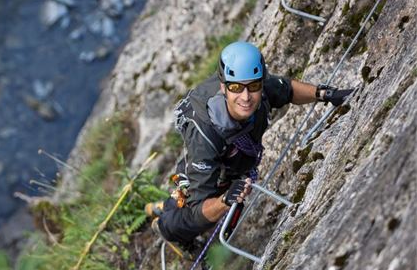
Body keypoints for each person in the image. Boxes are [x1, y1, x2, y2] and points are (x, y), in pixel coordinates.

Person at [146, 41, 353, 252]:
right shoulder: (206, 136)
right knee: (197, 213)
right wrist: (225, 200)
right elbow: (200, 207)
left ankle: (166, 206)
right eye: (236, 88)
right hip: (210, 161)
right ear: (223, 87)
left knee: (213, 190)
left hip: (232, 160)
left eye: (253, 86)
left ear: (260, 83)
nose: (246, 97)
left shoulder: (258, 88)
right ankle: (165, 227)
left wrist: (324, 94)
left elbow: (287, 89)